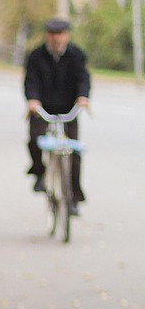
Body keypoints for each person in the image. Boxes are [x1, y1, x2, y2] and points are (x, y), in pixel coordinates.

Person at [24, 17, 91, 213]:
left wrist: (83, 97)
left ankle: (73, 198)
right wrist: (32, 100)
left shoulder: (77, 55)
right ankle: (40, 172)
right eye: (53, 34)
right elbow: (31, 81)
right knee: (35, 140)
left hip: (68, 109)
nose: (57, 38)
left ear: (67, 35)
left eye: (60, 34)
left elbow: (83, 79)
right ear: (47, 35)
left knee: (74, 151)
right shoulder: (36, 56)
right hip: (42, 108)